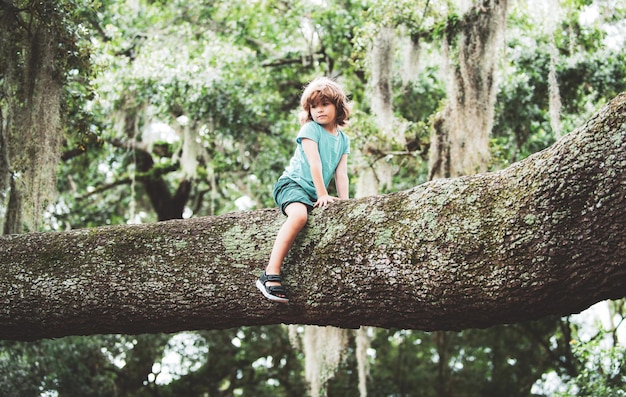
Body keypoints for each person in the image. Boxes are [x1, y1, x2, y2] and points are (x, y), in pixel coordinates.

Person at [256, 77, 351, 303]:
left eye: (324, 104)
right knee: (299, 216)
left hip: (311, 193)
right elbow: (314, 163)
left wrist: (347, 203)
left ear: (338, 106)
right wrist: (322, 194)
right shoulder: (310, 129)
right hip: (292, 185)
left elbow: (341, 174)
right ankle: (270, 274)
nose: (319, 110)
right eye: (313, 106)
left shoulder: (343, 139)